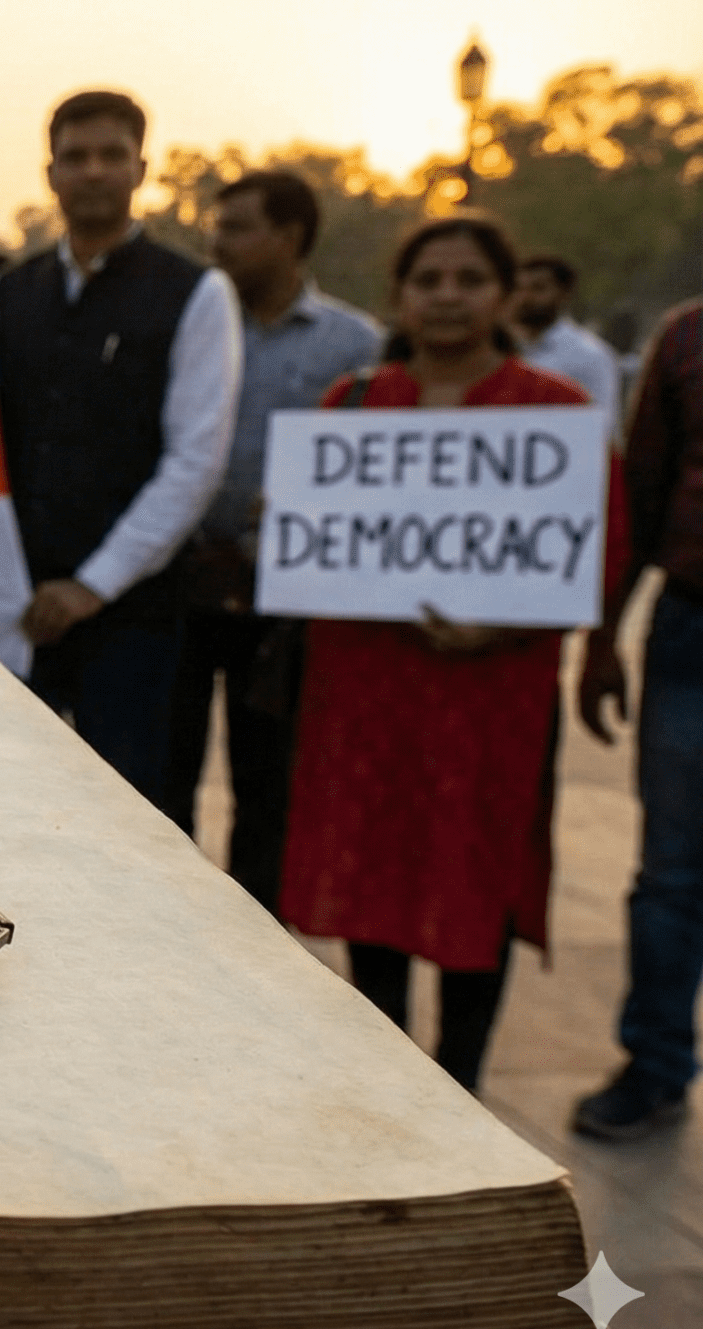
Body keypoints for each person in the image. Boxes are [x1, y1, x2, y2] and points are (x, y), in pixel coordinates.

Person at [281, 216, 615, 1094]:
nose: (448, 296)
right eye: (429, 279)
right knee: (375, 871)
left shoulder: (555, 413)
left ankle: (460, 1085)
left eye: (469, 279)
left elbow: (586, 553)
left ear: (504, 296)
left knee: (477, 868)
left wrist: (501, 627)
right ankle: (387, 1077)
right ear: (402, 296)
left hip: (492, 692)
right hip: (367, 686)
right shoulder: (353, 404)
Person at [0, 90, 241, 810]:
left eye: (110, 157)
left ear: (141, 169)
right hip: (15, 605)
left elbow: (195, 463)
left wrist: (94, 584)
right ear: (50, 172)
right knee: (2, 804)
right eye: (76, 157)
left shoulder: (196, 292)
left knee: (134, 817)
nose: (92, 172)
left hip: (135, 614)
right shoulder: (10, 293)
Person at [162, 171, 382, 911]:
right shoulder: (189, 321)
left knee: (270, 788)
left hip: (283, 603)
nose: (216, 244)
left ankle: (256, 953)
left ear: (290, 238)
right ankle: (169, 933)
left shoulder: (354, 345)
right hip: (183, 580)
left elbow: (377, 472)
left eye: (236, 229)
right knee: (163, 785)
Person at [574, 296, 703, 1139]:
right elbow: (644, 485)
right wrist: (604, 633)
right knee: (671, 871)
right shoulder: (687, 335)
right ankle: (655, 1067)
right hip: (694, 623)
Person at [512, 254, 623, 427]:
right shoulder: (505, 349)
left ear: (564, 294)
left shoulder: (589, 355)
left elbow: (602, 426)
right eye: (518, 288)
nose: (525, 297)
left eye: (538, 288)